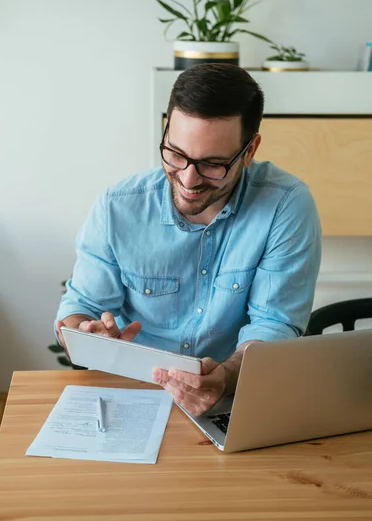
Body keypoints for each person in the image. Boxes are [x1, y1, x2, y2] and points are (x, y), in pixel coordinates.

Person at [56, 64, 321, 416]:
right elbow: (77, 310)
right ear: (165, 131)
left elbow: (274, 324)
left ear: (250, 150)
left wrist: (226, 376)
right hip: (134, 396)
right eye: (176, 154)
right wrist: (86, 333)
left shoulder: (285, 206)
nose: (188, 179)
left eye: (213, 164)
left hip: (235, 396)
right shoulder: (118, 208)